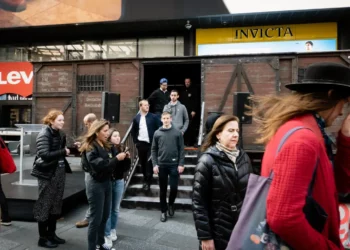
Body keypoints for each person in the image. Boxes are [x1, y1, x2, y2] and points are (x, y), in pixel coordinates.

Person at [253, 62, 350, 249]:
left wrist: (345, 139)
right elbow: (283, 218)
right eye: (343, 104)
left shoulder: (304, 129)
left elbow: (336, 187)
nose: (341, 113)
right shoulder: (303, 139)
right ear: (331, 96)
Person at [192, 115, 253, 250]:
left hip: (240, 230)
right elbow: (199, 203)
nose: (235, 134)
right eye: (230, 131)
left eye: (237, 131)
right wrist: (205, 237)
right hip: (217, 232)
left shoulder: (244, 158)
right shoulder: (207, 161)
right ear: (218, 134)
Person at [31, 110, 72, 248]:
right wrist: (63, 151)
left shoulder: (61, 134)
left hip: (59, 171)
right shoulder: (44, 134)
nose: (62, 122)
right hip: (47, 173)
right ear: (51, 120)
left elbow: (62, 151)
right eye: (59, 120)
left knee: (55, 204)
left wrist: (72, 148)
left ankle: (51, 234)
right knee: (45, 204)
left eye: (63, 120)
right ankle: (42, 238)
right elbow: (44, 154)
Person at [79, 119, 117, 250]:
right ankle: (92, 247)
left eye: (108, 130)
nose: (108, 133)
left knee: (105, 215)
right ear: (96, 131)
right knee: (96, 218)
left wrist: (122, 157)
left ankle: (100, 243)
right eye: (105, 131)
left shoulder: (105, 144)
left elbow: (111, 161)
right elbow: (99, 164)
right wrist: (116, 159)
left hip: (107, 182)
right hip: (95, 183)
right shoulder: (91, 146)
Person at [151, 111, 185, 222]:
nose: (166, 120)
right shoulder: (157, 133)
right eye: (164, 118)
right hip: (162, 165)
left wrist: (181, 164)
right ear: (161, 120)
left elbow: (181, 149)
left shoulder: (177, 133)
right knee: (163, 190)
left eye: (167, 118)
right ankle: (163, 211)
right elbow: (154, 149)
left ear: (171, 119)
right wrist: (155, 164)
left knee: (174, 188)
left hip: (174, 165)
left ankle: (171, 204)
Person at [104, 128, 131, 248]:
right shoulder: (106, 149)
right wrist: (117, 159)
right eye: (114, 136)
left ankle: (113, 228)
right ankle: (107, 234)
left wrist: (128, 159)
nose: (117, 138)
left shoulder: (122, 148)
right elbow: (108, 166)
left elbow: (125, 169)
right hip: (109, 181)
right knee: (108, 209)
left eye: (118, 135)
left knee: (115, 209)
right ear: (109, 137)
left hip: (119, 181)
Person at [131, 100, 161, 191]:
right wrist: (136, 142)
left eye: (148, 105)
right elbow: (133, 131)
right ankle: (145, 178)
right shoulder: (136, 118)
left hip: (151, 144)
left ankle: (148, 181)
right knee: (143, 163)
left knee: (149, 163)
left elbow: (160, 128)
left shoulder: (154, 117)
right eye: (145, 105)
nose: (147, 106)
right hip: (141, 144)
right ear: (140, 106)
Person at [76, 113, 97, 229]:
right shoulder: (93, 133)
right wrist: (82, 145)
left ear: (89, 122)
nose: (86, 126)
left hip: (91, 170)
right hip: (90, 168)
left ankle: (89, 218)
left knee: (91, 195)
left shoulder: (95, 133)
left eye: (86, 124)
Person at [180, 78, 199, 146]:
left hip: (191, 112)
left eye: (188, 82)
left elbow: (196, 101)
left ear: (190, 82)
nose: (187, 83)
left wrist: (194, 110)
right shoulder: (182, 91)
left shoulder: (193, 90)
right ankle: (185, 142)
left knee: (191, 127)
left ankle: (192, 142)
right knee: (185, 127)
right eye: (186, 82)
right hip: (184, 112)